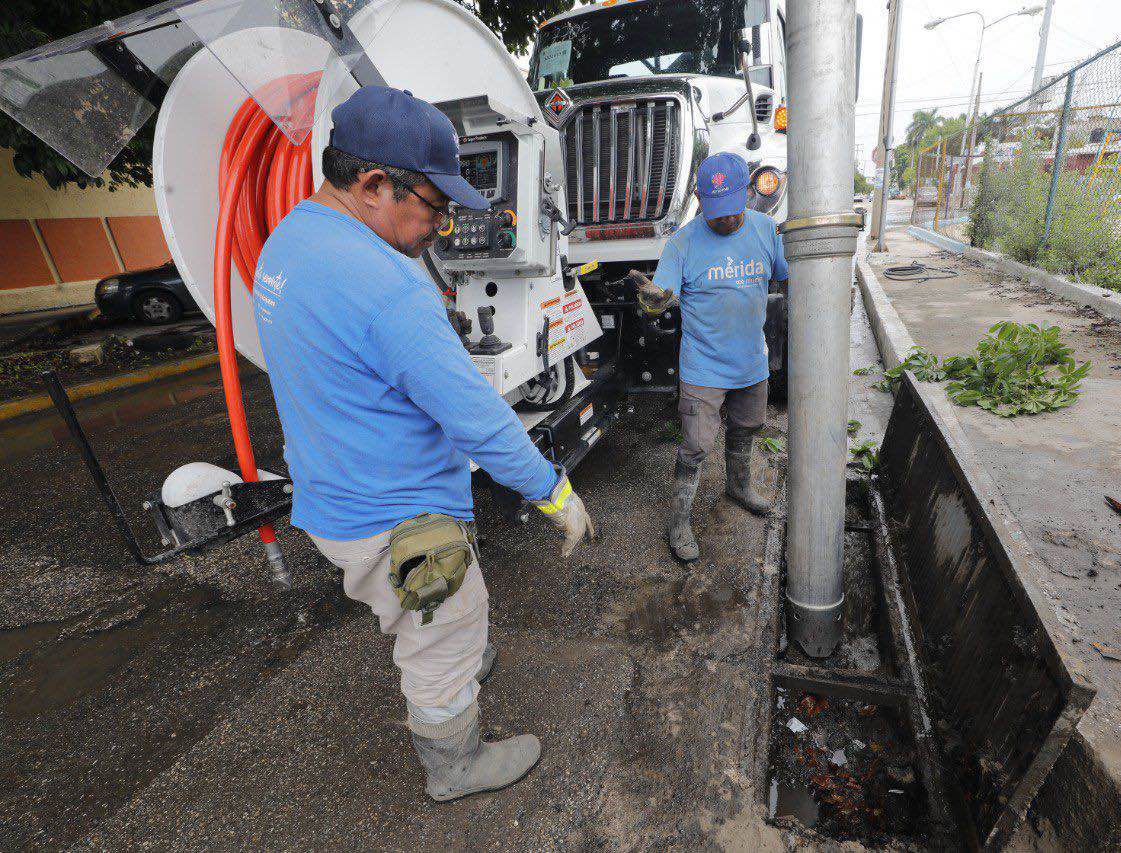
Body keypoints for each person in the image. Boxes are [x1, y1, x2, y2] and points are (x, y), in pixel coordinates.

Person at [251, 86, 594, 802]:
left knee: (415, 611)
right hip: (397, 521)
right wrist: (554, 493)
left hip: (334, 499)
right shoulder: (388, 289)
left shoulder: (290, 240)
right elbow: (480, 418)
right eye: (435, 205)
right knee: (446, 626)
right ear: (374, 184)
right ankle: (453, 763)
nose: (443, 224)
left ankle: (453, 658)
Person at [629, 152, 789, 561]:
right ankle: (679, 520)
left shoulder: (767, 231)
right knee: (697, 444)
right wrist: (652, 302)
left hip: (752, 361)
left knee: (747, 427)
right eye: (716, 213)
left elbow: (790, 281)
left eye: (734, 211)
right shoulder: (682, 243)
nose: (727, 221)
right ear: (700, 199)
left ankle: (738, 486)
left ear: (748, 194)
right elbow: (659, 298)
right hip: (704, 367)